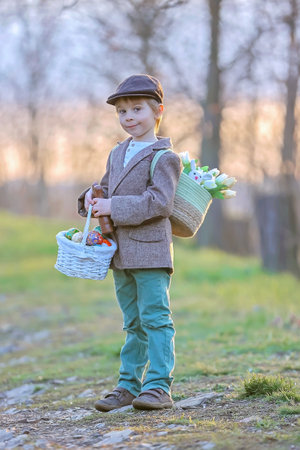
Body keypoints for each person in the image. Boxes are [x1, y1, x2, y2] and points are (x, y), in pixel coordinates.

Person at [78, 74, 181, 411]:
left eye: (137, 109)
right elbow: (107, 189)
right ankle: (127, 386)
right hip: (120, 253)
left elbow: (159, 203)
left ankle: (158, 387)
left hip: (150, 251)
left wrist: (113, 207)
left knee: (155, 318)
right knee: (133, 322)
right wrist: (92, 200)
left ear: (158, 112)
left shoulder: (164, 157)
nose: (129, 117)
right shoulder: (117, 153)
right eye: (122, 112)